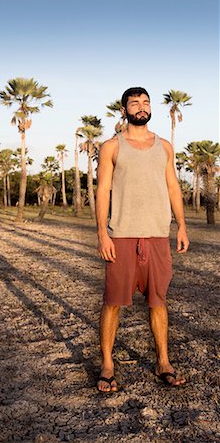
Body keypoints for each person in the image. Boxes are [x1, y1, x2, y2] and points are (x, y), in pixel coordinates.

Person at [96, 87, 189, 392]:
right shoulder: (111, 147)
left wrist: (182, 226)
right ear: (124, 110)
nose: (141, 107)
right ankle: (107, 366)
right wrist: (102, 233)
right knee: (112, 303)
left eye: (145, 102)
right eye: (134, 103)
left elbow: (173, 187)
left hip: (157, 235)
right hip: (121, 235)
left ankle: (164, 362)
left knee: (158, 302)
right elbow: (103, 191)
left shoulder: (163, 147)